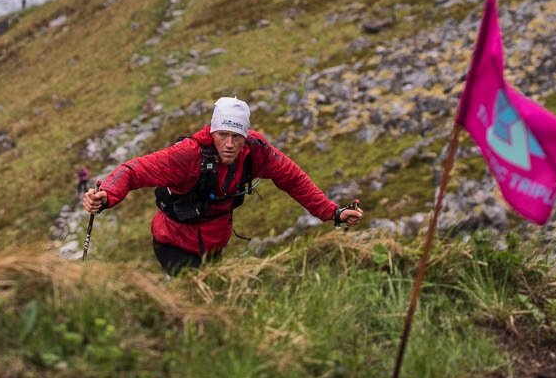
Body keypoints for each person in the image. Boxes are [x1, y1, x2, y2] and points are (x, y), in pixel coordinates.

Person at [82, 95, 363, 275]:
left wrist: (333, 212)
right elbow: (133, 170)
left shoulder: (257, 151)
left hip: (214, 247)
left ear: (246, 135)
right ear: (213, 131)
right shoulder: (188, 155)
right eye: (223, 135)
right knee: (200, 304)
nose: (229, 144)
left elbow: (294, 179)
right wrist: (106, 195)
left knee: (205, 300)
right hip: (174, 244)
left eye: (237, 137)